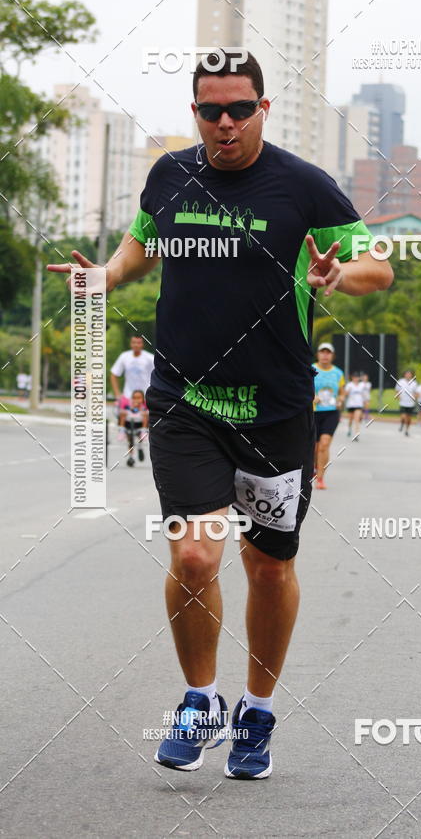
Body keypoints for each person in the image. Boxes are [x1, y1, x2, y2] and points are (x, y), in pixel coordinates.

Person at [48, 50, 393, 779]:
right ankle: (199, 699)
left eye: (240, 108)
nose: (226, 122)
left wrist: (338, 272)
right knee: (198, 554)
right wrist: (104, 275)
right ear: (196, 112)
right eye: (211, 110)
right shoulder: (171, 175)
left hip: (275, 409)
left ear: (264, 108)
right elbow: (143, 245)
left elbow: (378, 267)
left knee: (267, 567)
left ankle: (257, 713)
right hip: (185, 398)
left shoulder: (304, 187)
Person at [312, 342, 345, 490]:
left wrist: (341, 399)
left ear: (332, 355)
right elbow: (303, 387)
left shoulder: (338, 373)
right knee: (314, 447)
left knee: (324, 445)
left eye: (328, 352)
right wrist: (311, 397)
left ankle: (320, 478)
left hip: (331, 412)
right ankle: (314, 467)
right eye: (322, 352)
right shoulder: (311, 369)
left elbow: (342, 392)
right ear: (318, 354)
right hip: (313, 412)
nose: (325, 355)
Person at [110, 336, 154, 421]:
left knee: (146, 420)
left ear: (142, 344)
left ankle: (144, 433)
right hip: (128, 396)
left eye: (138, 343)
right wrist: (117, 394)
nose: (136, 345)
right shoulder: (124, 356)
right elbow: (114, 374)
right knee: (124, 418)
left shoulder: (150, 358)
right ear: (131, 344)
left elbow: (158, 373)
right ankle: (122, 432)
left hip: (145, 397)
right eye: (134, 342)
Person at [118, 389, 149, 467]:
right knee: (130, 441)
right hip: (129, 424)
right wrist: (126, 410)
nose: (136, 400)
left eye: (139, 398)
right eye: (134, 398)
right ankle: (131, 456)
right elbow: (122, 412)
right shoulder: (129, 405)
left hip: (140, 425)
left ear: (142, 399)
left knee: (145, 415)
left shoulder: (144, 406)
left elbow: (148, 414)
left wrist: (142, 410)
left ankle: (143, 434)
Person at [394, 370, 417, 436]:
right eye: (407, 374)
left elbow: (416, 393)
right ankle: (402, 423)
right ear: (404, 375)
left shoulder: (414, 383)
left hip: (410, 403)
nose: (408, 375)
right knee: (403, 417)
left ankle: (407, 430)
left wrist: (415, 397)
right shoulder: (400, 381)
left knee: (409, 419)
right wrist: (398, 397)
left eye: (409, 374)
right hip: (403, 403)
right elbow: (396, 390)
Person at [345, 372, 365, 440]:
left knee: (357, 419)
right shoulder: (349, 385)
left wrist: (364, 402)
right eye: (354, 377)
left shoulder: (362, 385)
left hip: (359, 405)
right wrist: (348, 391)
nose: (356, 379)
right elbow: (345, 394)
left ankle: (356, 434)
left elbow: (363, 394)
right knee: (350, 419)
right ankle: (349, 429)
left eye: (357, 377)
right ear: (352, 378)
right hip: (351, 405)